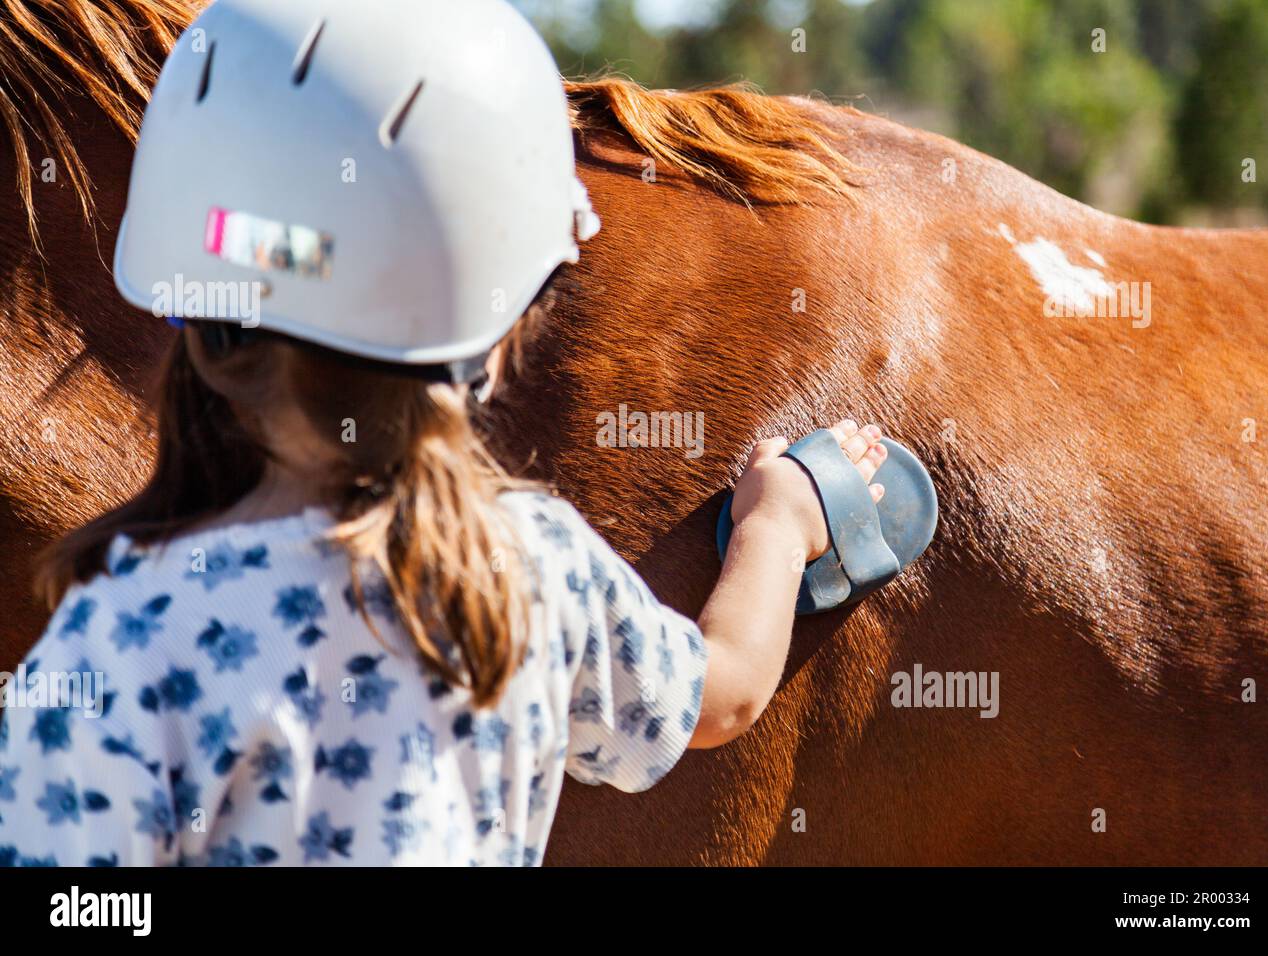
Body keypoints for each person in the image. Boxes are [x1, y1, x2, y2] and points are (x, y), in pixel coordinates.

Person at [0, 0, 888, 867]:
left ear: (194, 309)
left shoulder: (113, 634)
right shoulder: (529, 570)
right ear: (500, 336)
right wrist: (779, 524)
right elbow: (717, 698)